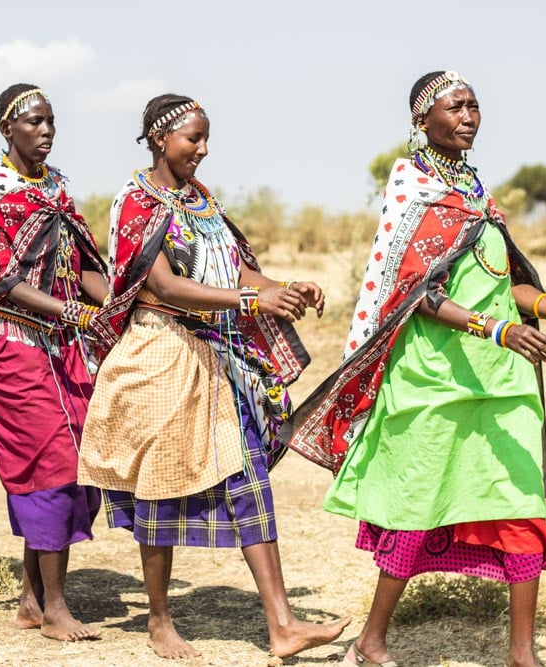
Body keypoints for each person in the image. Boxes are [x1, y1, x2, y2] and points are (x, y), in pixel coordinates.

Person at [284, 71, 546, 667]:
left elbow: (505, 286)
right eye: (454, 106)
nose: (468, 115)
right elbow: (419, 296)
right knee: (419, 509)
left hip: (502, 384)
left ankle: (522, 654)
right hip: (434, 382)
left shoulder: (476, 195)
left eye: (474, 105)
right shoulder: (414, 191)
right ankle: (372, 639)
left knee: (521, 505)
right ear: (422, 121)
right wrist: (498, 331)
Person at [78, 94, 351, 660]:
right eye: (191, 140)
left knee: (250, 477)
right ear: (159, 139)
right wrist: (255, 298)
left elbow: (239, 268)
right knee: (158, 487)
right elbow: (164, 287)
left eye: (206, 140)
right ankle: (158, 619)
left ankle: (282, 624)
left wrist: (283, 285)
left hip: (215, 361)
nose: (202, 150)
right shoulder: (136, 202)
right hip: (159, 353)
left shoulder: (200, 201)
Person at [0, 84, 108, 641]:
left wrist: (111, 300)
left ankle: (31, 600)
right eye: (35, 122)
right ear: (7, 130)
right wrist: (70, 310)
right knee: (52, 465)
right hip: (11, 343)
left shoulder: (57, 186)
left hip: (63, 345)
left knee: (75, 460)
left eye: (51, 121)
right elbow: (0, 279)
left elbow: (79, 260)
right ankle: (57, 609)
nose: (46, 131)